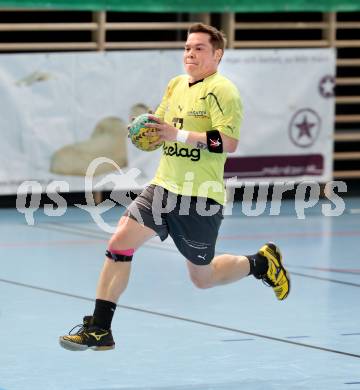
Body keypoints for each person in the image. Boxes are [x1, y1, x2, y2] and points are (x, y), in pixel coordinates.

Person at [59, 23, 290, 351]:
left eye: (198, 48)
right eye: (187, 48)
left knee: (202, 278)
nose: (190, 54)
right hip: (164, 187)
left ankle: (261, 263)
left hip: (199, 197)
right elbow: (160, 127)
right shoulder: (176, 85)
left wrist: (176, 135)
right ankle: (99, 328)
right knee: (119, 243)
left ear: (217, 54)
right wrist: (145, 131)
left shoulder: (223, 91)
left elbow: (228, 141)